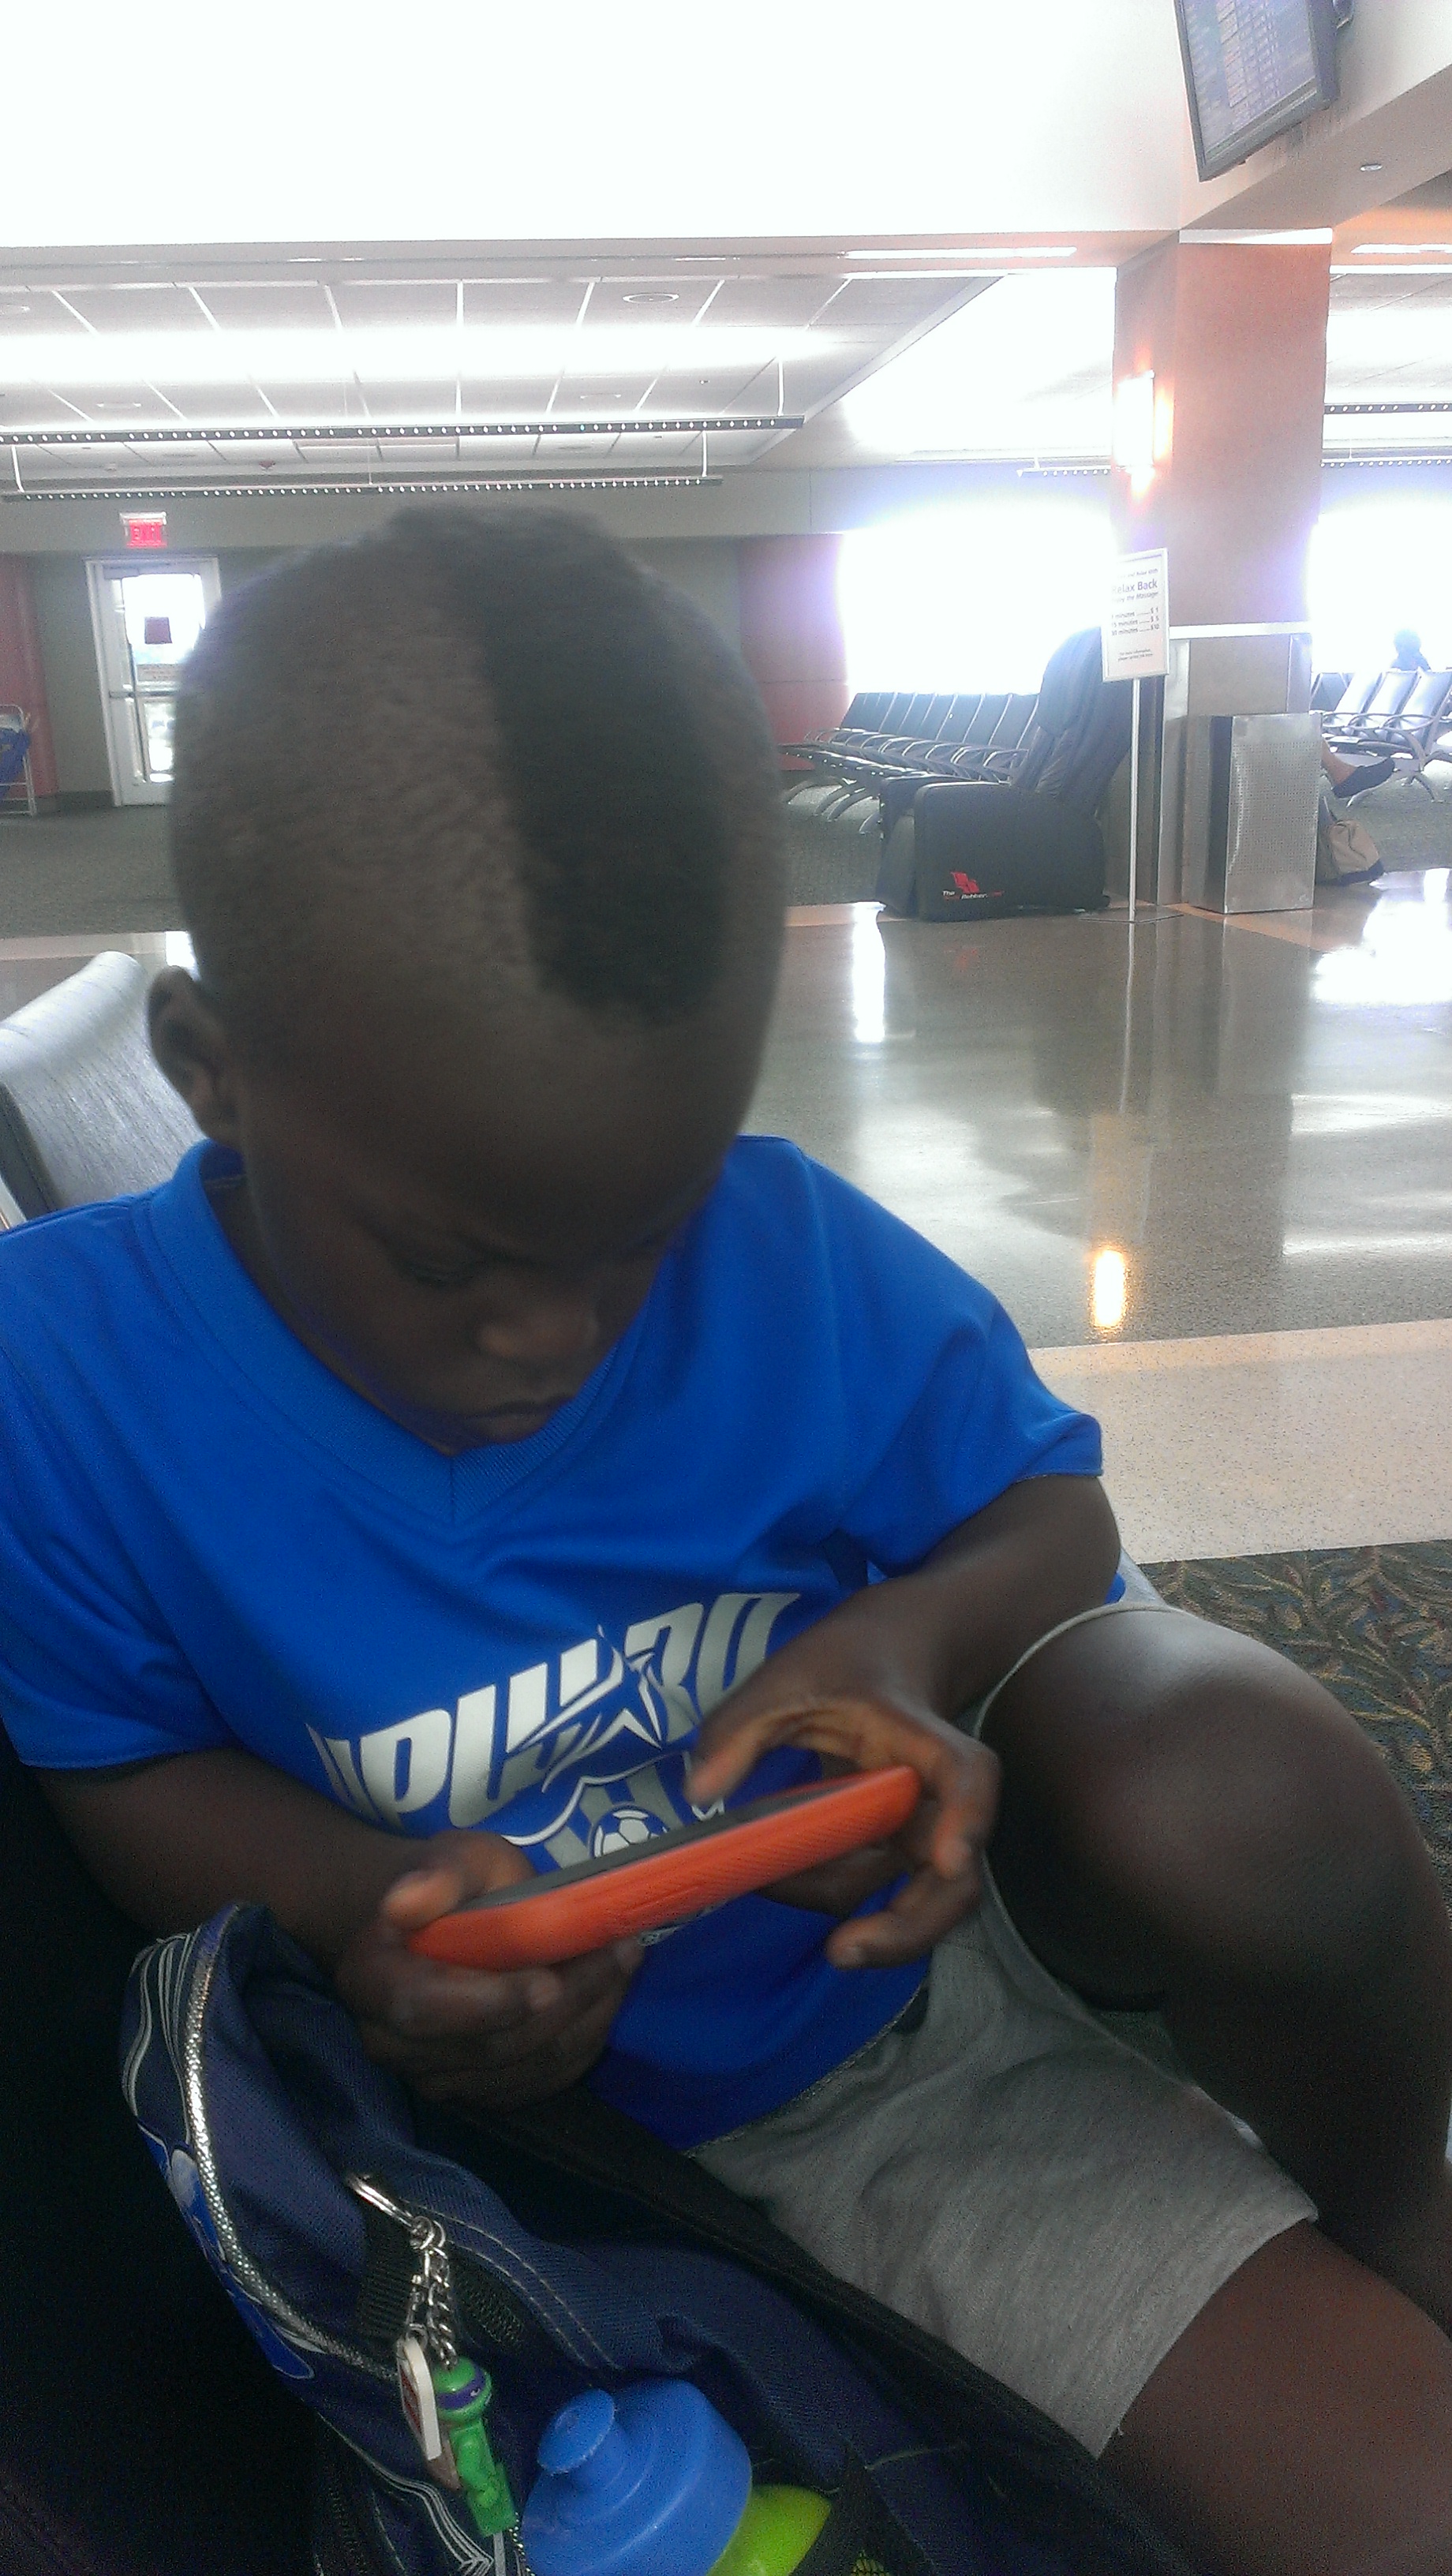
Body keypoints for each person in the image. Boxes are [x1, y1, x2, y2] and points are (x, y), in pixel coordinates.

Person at [2, 515, 1452, 2576]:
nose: (557, 1339)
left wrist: (911, 1649)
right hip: (468, 2161)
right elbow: (121, 1762)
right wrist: (360, 1907)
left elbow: (1053, 1513)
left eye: (639, 1239)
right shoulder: (60, 1382)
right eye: (452, 1263)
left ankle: (1398, 2206)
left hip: (885, 2052)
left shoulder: (790, 1262)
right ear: (209, 1074)